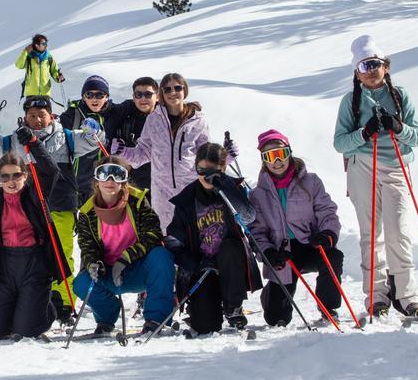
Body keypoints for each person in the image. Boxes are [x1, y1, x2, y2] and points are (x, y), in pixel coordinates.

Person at [0, 95, 104, 325]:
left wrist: (94, 129)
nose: (37, 120)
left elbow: (94, 140)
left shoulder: (66, 137)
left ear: (51, 115)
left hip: (60, 204)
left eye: (42, 115)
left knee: (62, 252)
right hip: (29, 208)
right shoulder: (15, 140)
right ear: (25, 117)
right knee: (35, 255)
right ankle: (36, 299)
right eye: (32, 116)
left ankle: (64, 303)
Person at [333, 35, 418, 317]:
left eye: (375, 64)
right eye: (364, 66)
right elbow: (340, 143)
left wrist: (398, 127)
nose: (371, 70)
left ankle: (407, 295)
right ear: (357, 73)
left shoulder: (400, 95)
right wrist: (365, 132)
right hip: (363, 169)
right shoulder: (351, 101)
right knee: (371, 235)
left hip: (396, 167)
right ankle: (376, 296)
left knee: (398, 233)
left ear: (386, 67)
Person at [0, 132, 71, 339]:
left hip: (35, 265)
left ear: (25, 176)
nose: (11, 181)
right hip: (4, 268)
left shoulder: (35, 195)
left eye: (16, 175)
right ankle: (21, 308)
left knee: (27, 330)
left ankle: (49, 306)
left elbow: (51, 171)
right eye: (5, 176)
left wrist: (34, 144)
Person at [248, 129, 344, 326]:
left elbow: (326, 211)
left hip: (311, 244)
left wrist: (327, 234)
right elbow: (256, 231)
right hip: (283, 254)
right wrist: (268, 252)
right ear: (263, 160)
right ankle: (271, 295)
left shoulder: (311, 182)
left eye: (281, 154)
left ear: (289, 153)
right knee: (277, 319)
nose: (277, 161)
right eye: (270, 156)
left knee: (333, 257)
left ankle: (328, 306)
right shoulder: (258, 194)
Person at [166, 143, 262, 335]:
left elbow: (248, 217)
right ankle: (202, 307)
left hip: (231, 265)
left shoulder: (233, 188)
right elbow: (173, 240)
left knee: (230, 247)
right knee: (205, 326)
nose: (207, 177)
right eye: (202, 171)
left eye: (214, 171)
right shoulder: (186, 199)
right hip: (203, 268)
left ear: (224, 168)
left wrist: (225, 184)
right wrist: (195, 263)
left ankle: (233, 306)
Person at [72, 156, 174, 335]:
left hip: (138, 269)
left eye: (117, 175)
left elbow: (153, 235)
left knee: (161, 256)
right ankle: (106, 316)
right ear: (96, 180)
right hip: (109, 274)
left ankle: (155, 318)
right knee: (81, 283)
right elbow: (87, 247)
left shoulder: (138, 201)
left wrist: (125, 259)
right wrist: (94, 263)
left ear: (125, 180)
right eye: (104, 174)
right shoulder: (87, 212)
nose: (110, 181)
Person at [114, 73, 228, 234]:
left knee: (195, 236)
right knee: (168, 238)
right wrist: (123, 151)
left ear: (185, 90)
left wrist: (226, 157)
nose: (172, 92)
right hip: (162, 195)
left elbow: (206, 157)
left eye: (177, 88)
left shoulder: (198, 121)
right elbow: (143, 153)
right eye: (167, 89)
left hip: (190, 190)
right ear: (161, 93)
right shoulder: (154, 120)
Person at [59, 75, 131, 204]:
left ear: (107, 97)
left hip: (108, 179)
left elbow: (138, 105)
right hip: (80, 181)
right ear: (83, 97)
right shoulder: (72, 115)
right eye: (89, 94)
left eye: (99, 95)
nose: (94, 99)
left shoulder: (114, 112)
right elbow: (54, 131)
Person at [112, 76, 159, 195]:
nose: (143, 98)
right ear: (133, 97)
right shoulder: (125, 118)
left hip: (163, 183)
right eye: (138, 94)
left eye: (148, 94)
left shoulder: (167, 119)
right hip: (134, 186)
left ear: (157, 96)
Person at [15, 34, 64, 99]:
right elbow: (19, 65)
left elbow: (54, 70)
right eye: (43, 44)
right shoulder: (28, 57)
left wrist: (58, 77)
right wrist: (25, 52)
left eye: (46, 43)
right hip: (31, 93)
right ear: (36, 45)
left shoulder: (49, 57)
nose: (46, 45)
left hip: (45, 93)